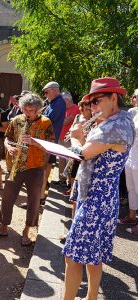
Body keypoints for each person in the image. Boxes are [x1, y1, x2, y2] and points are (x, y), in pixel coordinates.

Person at [62, 77, 135, 300]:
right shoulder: (115, 121)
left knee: (73, 256)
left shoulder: (115, 125)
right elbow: (93, 151)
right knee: (93, 255)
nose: (92, 106)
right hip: (101, 196)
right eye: (90, 103)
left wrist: (74, 139)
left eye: (97, 101)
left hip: (97, 198)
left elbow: (82, 154)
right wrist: (83, 136)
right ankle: (91, 297)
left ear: (114, 98)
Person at [0, 93, 54, 245]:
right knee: (7, 198)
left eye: (32, 110)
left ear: (38, 109)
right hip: (15, 166)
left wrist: (34, 142)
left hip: (35, 167)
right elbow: (7, 137)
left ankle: (26, 231)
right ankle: (3, 227)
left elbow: (51, 145)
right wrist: (8, 146)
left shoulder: (46, 122)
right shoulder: (17, 120)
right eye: (25, 109)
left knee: (33, 201)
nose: (28, 113)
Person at [40, 81, 66, 200]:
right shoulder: (54, 103)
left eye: (46, 92)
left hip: (48, 142)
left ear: (55, 90)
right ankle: (39, 196)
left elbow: (47, 120)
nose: (45, 95)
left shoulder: (59, 103)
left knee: (44, 170)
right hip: (46, 140)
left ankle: (40, 197)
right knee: (43, 170)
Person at [119, 89, 138, 234]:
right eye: (133, 96)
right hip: (130, 154)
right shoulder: (132, 112)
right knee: (131, 188)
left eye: (135, 96)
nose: (133, 98)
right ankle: (132, 216)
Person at [58, 92, 80, 184]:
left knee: (69, 160)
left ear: (67, 100)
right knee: (61, 159)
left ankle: (69, 182)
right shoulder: (64, 109)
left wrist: (58, 119)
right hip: (61, 137)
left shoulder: (76, 108)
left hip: (69, 139)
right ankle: (61, 179)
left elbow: (66, 121)